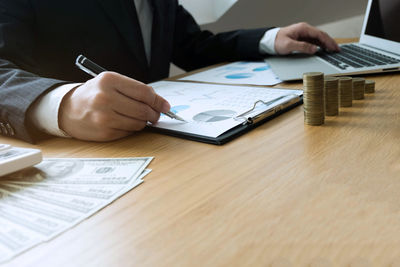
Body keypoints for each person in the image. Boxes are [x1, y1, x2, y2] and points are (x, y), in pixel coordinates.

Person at [0, 0, 339, 143]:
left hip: (164, 147)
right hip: (73, 160)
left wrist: (269, 39)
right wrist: (61, 103)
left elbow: (192, 46)